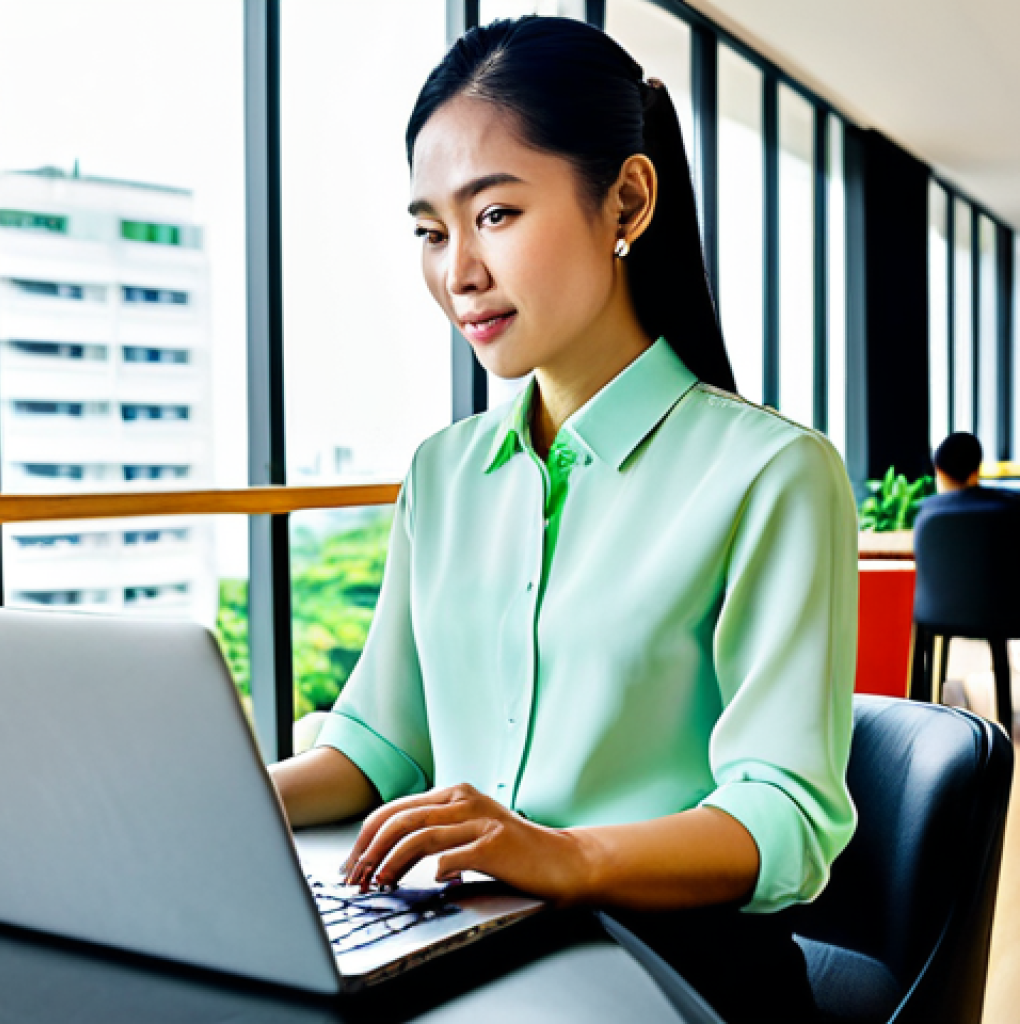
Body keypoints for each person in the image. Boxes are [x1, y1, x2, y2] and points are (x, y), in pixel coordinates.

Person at [269, 16, 858, 1022]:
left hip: (673, 968)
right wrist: (218, 799)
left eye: (494, 214)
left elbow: (785, 817)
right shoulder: (443, 475)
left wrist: (561, 856)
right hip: (471, 944)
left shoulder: (773, 474)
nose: (458, 271)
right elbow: (381, 746)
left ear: (626, 200)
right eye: (430, 230)